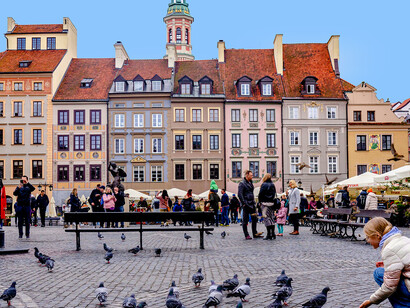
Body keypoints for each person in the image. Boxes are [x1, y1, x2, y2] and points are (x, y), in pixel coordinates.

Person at [359, 217, 410, 308]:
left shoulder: (389, 249)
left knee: (379, 273)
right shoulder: (403, 239)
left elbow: (389, 286)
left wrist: (371, 300)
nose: (367, 240)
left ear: (377, 235)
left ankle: (404, 305)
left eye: (368, 237)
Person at [238, 170, 263, 240]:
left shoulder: (250, 183)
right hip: (246, 204)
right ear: (247, 175)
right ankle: (246, 235)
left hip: (252, 204)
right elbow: (240, 194)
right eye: (251, 175)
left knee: (254, 219)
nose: (252, 176)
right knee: (245, 220)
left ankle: (255, 233)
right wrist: (244, 203)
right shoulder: (242, 183)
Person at [258, 173, 277, 240]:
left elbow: (260, 194)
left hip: (265, 203)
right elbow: (274, 193)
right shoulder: (272, 184)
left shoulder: (264, 184)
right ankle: (273, 233)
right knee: (271, 218)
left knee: (266, 218)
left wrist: (259, 202)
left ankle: (269, 234)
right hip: (271, 203)